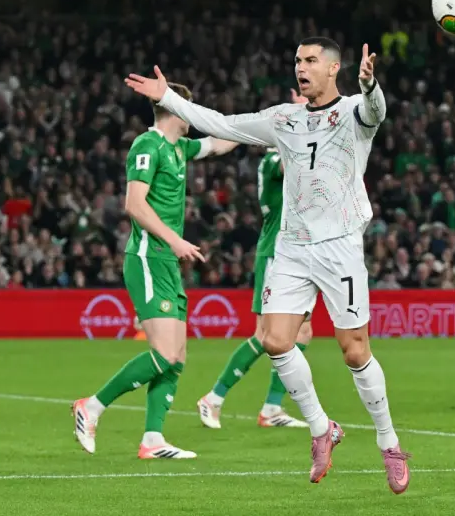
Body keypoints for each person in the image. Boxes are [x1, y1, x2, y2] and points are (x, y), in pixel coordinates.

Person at [125, 37, 411, 494]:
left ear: (333, 68)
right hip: (292, 247)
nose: (301, 67)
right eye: (297, 60)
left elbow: (376, 111)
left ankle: (389, 442)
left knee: (355, 351)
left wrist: (370, 84)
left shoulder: (354, 112)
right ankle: (321, 429)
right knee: (276, 341)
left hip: (339, 246)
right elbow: (221, 123)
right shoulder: (283, 119)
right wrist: (169, 99)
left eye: (311, 60)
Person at [71, 83, 240, 459]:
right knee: (163, 354)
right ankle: (92, 406)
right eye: (188, 108)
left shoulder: (180, 147)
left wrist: (264, 128)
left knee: (177, 357)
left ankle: (152, 439)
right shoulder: (147, 146)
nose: (193, 116)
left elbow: (218, 144)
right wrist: (175, 240)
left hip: (166, 262)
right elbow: (134, 204)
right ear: (175, 110)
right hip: (148, 258)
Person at [198, 92, 312, 430]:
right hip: (277, 254)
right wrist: (303, 115)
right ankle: (214, 397)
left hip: (299, 255)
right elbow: (297, 159)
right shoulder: (274, 160)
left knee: (302, 332)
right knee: (265, 334)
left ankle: (272, 408)